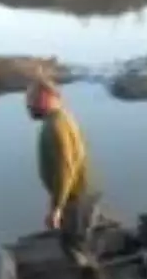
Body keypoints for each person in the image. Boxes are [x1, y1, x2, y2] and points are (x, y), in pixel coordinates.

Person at [26, 78, 101, 254]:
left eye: (30, 101)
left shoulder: (55, 126)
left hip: (74, 198)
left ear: (45, 97)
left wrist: (57, 209)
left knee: (74, 247)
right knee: (78, 240)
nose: (28, 108)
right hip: (79, 194)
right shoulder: (63, 117)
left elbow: (65, 169)